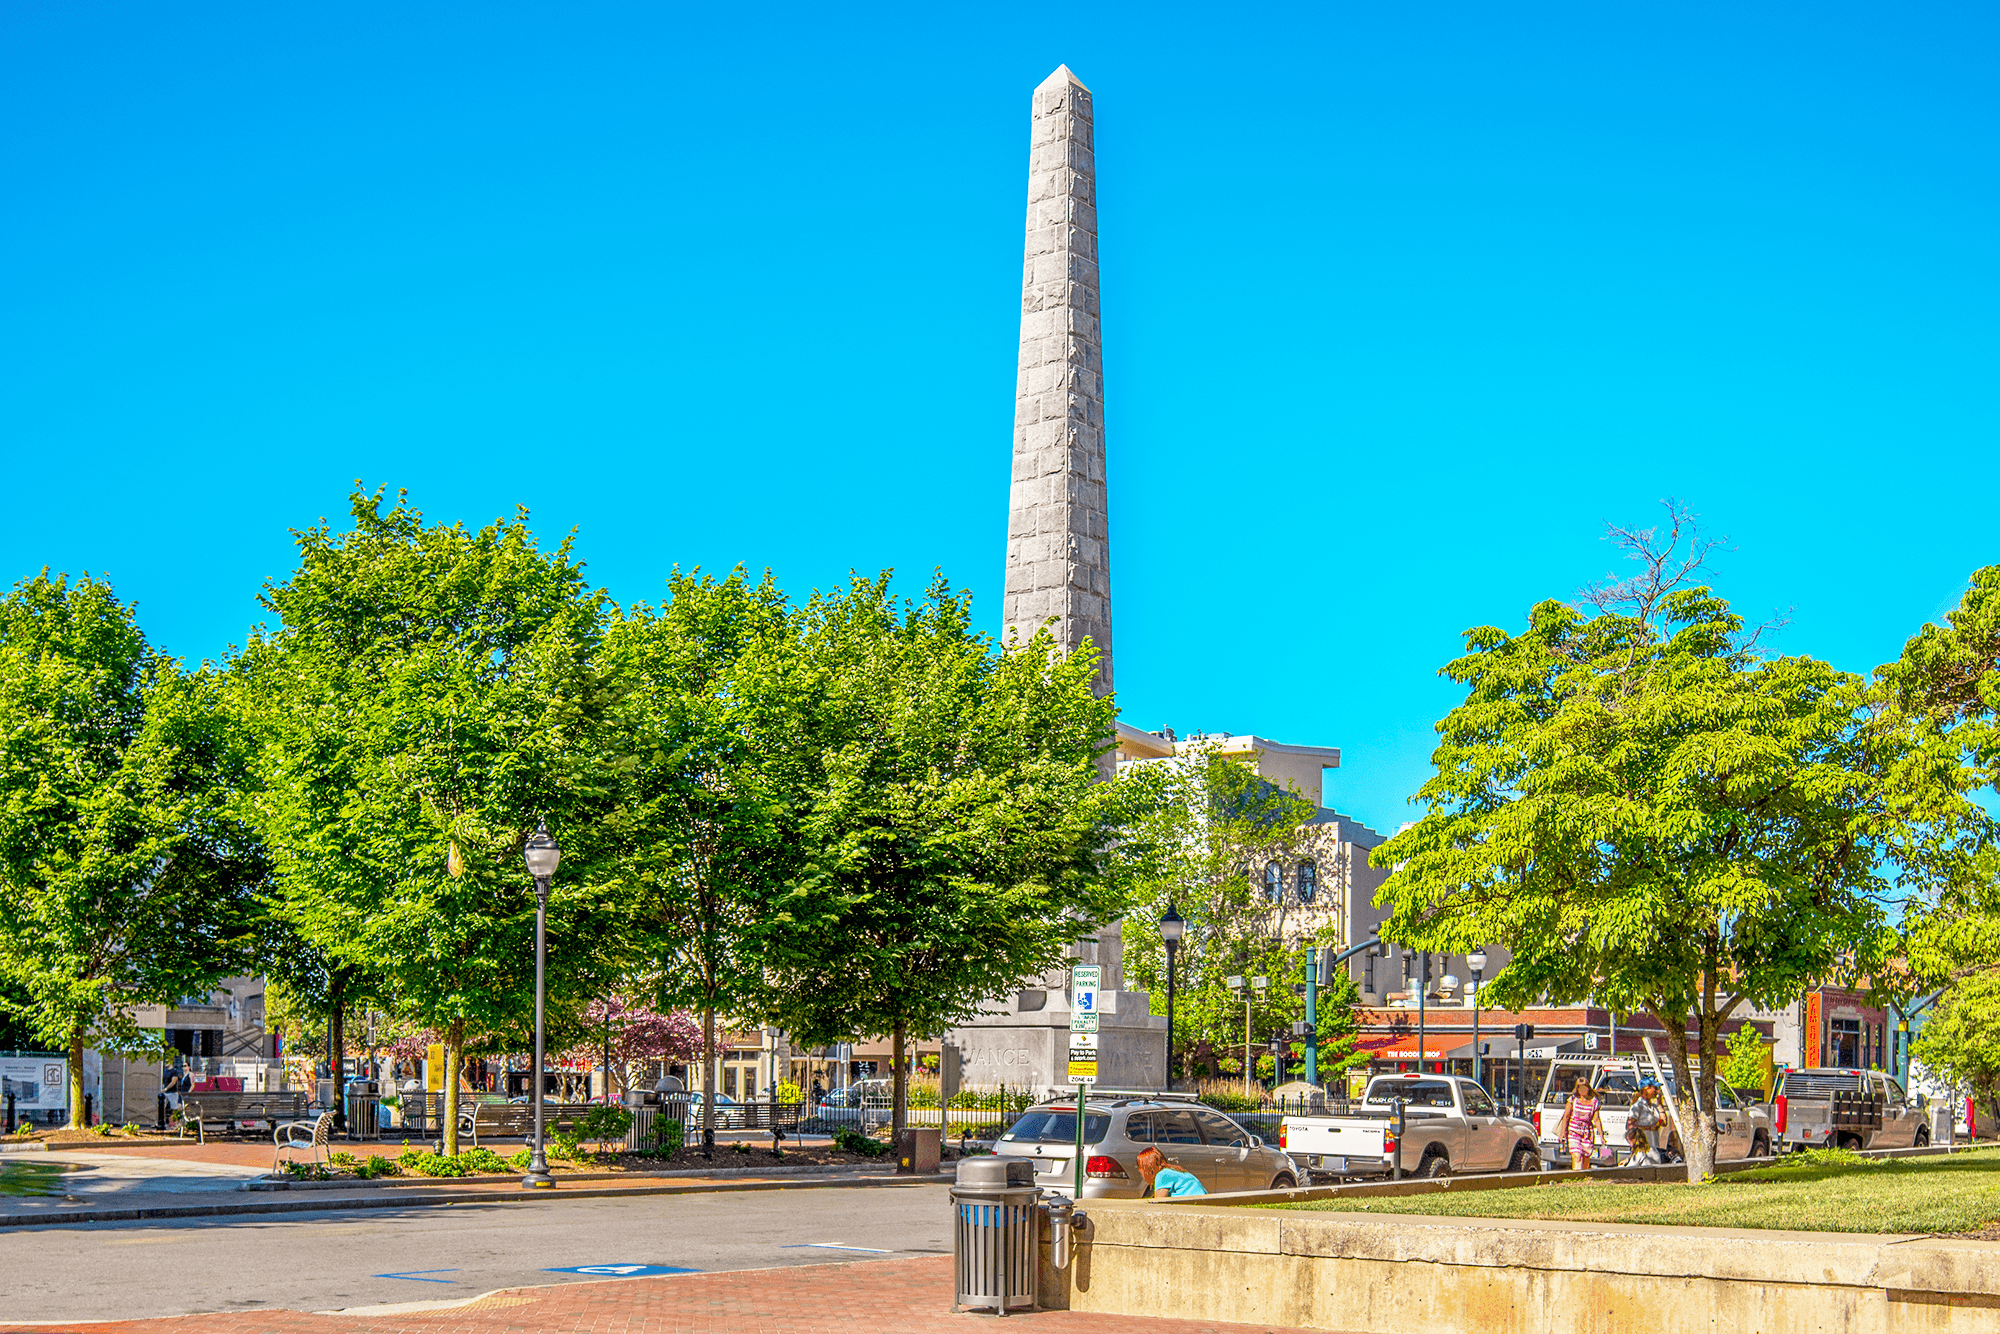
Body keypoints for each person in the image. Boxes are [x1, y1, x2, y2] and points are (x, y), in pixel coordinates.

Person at [1558, 1076, 1605, 1172]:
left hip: (1587, 1133)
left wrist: (1601, 1135)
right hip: (1574, 1131)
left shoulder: (1594, 1101)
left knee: (1585, 1158)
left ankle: (1583, 1178)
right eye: (1580, 1088)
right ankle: (1576, 1177)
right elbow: (1566, 1116)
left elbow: (1596, 1120)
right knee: (1577, 1156)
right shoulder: (1573, 1099)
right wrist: (1563, 1132)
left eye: (1585, 1087)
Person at [1136, 1146, 1206, 1199]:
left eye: (1140, 1166)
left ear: (1147, 1167)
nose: (1139, 1170)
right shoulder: (1175, 1171)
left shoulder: (1162, 1175)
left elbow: (1159, 1203)